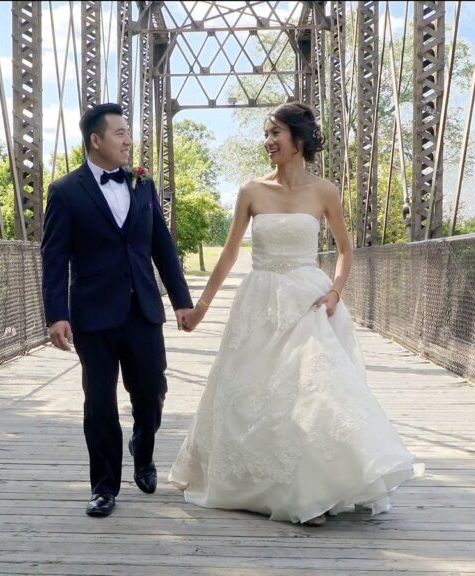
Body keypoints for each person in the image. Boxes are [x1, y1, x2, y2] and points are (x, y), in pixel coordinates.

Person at [169, 102, 421, 526]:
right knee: (253, 390)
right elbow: (230, 254)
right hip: (260, 299)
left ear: (298, 140)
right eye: (266, 134)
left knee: (312, 389)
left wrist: (336, 293)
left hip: (309, 299)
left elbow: (344, 249)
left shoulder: (325, 191)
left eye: (275, 133)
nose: (268, 141)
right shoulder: (251, 190)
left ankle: (313, 492)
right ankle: (270, 485)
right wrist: (201, 308)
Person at [41, 103, 193, 518]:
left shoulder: (142, 184)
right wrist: (55, 314)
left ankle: (143, 449)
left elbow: (162, 246)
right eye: (120, 133)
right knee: (100, 402)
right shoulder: (66, 191)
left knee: (151, 393)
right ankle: (104, 487)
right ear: (96, 140)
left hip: (142, 309)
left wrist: (182, 302)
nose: (129, 140)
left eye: (128, 132)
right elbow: (53, 258)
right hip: (92, 315)